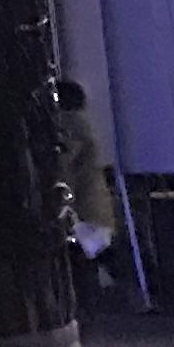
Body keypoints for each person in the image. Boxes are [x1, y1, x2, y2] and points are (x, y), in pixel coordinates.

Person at [59, 75, 119, 306]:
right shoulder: (83, 124)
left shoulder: (71, 127)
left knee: (81, 265)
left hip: (83, 212)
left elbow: (65, 167)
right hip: (94, 209)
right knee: (88, 262)